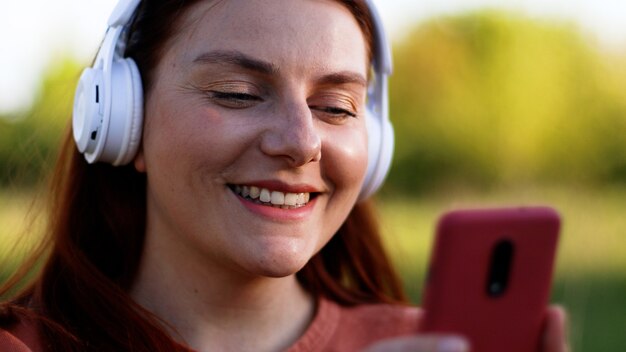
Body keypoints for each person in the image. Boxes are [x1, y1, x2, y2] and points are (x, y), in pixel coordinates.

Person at [0, 0, 568, 351]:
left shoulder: (436, 346)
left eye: (337, 106)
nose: (300, 142)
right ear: (122, 116)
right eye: (237, 94)